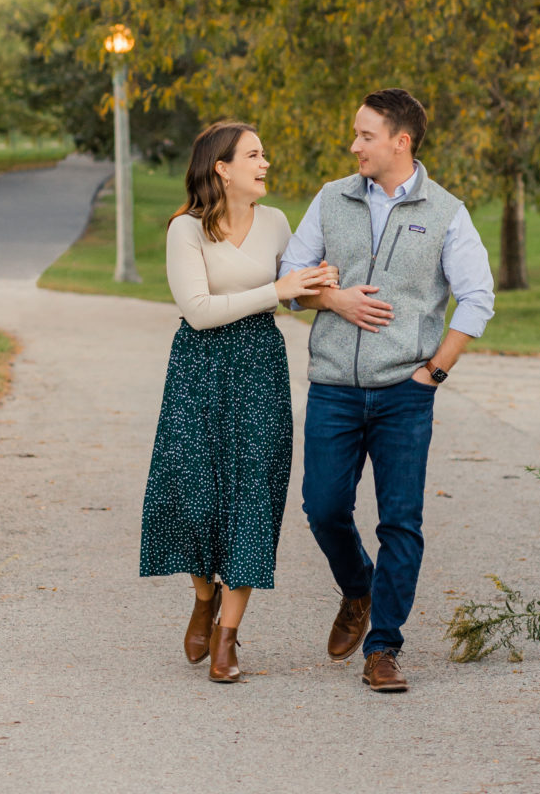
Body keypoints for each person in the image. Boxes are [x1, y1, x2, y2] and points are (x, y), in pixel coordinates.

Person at [278, 87, 495, 693]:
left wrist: (433, 374)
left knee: (401, 521)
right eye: (355, 134)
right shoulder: (330, 198)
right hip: (334, 389)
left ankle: (385, 647)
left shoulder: (448, 212)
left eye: (365, 135)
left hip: (405, 392)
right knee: (322, 508)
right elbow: (290, 283)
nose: (354, 145)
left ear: (401, 141)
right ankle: (358, 589)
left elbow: (478, 298)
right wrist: (333, 299)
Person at [140, 120, 334, 683]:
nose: (265, 163)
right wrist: (276, 291)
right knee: (192, 493)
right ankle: (204, 596)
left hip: (260, 367)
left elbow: (297, 294)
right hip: (199, 368)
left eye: (264, 154)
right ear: (221, 168)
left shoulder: (276, 222)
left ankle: (228, 636)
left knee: (254, 495)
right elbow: (198, 310)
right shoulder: (186, 230)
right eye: (254, 155)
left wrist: (323, 286)